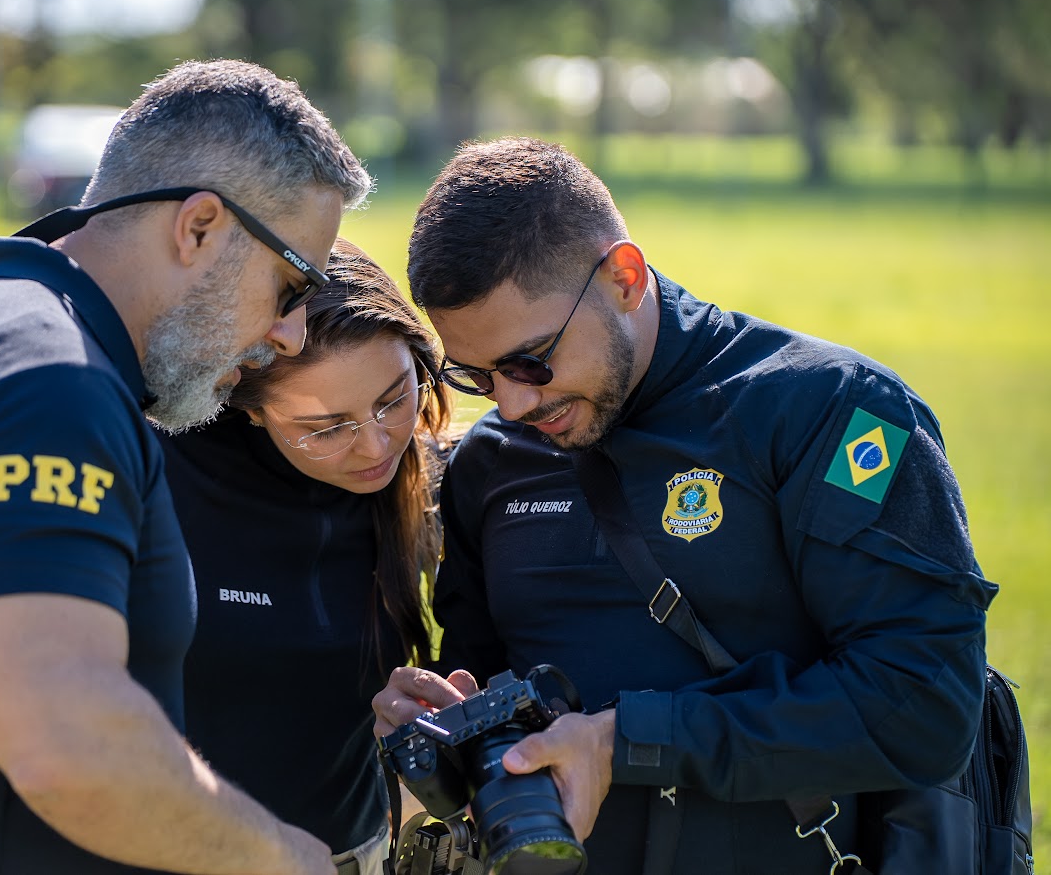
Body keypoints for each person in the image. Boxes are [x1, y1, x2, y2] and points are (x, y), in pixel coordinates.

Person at [0, 59, 372, 875]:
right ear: (199, 227)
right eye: (290, 285)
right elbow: (66, 745)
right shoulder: (47, 380)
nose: (291, 335)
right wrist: (283, 857)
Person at [371, 137, 996, 874]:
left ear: (624, 278)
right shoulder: (491, 460)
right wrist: (437, 715)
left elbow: (921, 705)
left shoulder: (831, 414)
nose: (510, 403)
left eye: (529, 361)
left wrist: (628, 741)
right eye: (477, 376)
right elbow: (480, 674)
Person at [158, 239, 450, 875]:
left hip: (359, 855)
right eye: (325, 427)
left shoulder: (425, 480)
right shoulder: (158, 473)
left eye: (394, 398)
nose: (376, 445)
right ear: (251, 408)